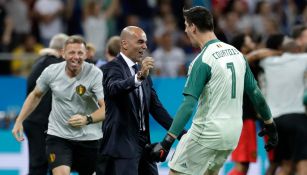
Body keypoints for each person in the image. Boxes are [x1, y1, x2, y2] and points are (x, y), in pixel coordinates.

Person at [147, 6, 278, 175]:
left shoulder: (202, 60)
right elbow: (255, 93)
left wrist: (167, 141)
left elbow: (188, 106)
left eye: (186, 26)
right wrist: (270, 124)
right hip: (231, 134)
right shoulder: (237, 54)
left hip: (206, 133)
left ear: (193, 27)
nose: (186, 31)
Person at [96, 26, 185, 175]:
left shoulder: (143, 71)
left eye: (145, 42)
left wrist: (182, 134)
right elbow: (114, 88)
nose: (145, 46)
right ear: (124, 44)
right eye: (140, 42)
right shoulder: (111, 68)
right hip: (122, 146)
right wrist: (138, 77)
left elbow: (157, 109)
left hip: (144, 145)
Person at [12, 35, 105, 175]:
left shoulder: (95, 74)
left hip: (89, 139)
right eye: (72, 52)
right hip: (58, 137)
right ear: (63, 53)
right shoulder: (51, 71)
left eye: (80, 53)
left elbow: (106, 108)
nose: (76, 56)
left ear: (86, 54)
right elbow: (35, 95)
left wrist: (87, 119)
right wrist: (19, 120)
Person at [260, 34, 307, 175]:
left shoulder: (266, 62)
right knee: (303, 165)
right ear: (281, 46)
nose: (294, 42)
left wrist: (275, 52)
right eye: (289, 40)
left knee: (285, 166)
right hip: (296, 118)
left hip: (274, 121)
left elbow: (254, 55)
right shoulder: (302, 59)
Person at [22, 33, 68, 175]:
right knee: (40, 164)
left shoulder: (40, 62)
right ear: (63, 50)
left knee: (40, 164)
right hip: (41, 123)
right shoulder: (55, 66)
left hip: (34, 121)